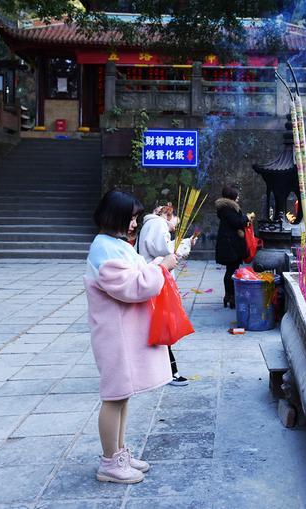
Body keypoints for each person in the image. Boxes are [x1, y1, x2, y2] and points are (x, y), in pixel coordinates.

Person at [86, 190, 177, 484]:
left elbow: (137, 277)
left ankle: (119, 454)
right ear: (116, 217)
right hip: (115, 336)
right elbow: (131, 287)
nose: (135, 224)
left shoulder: (113, 245)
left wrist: (160, 268)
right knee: (113, 397)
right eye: (132, 218)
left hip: (122, 333)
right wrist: (161, 267)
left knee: (121, 395)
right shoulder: (104, 248)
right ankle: (109, 462)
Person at [136, 202, 196, 386]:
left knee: (157, 327)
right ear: (169, 216)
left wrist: (185, 242)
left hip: (153, 278)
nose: (176, 226)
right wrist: (185, 244)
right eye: (176, 221)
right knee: (161, 328)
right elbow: (165, 250)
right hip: (155, 280)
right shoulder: (158, 224)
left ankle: (167, 371)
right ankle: (171, 372)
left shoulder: (151, 223)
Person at [214, 184, 254, 308]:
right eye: (236, 195)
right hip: (230, 244)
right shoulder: (227, 209)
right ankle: (230, 296)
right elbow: (237, 222)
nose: (238, 197)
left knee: (231, 270)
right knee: (231, 271)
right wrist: (246, 217)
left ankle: (229, 295)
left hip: (230, 243)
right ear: (232, 196)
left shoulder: (227, 208)